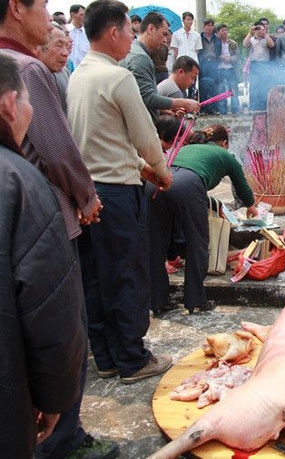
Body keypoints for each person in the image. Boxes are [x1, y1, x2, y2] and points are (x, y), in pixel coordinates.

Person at [0, 1, 114, 454]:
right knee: (61, 326)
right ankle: (63, 439)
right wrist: (86, 197)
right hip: (41, 220)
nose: (49, 17)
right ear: (16, 7)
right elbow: (58, 149)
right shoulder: (24, 68)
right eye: (44, 5)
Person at [67, 0, 174, 385]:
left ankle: (107, 358)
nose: (133, 37)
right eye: (130, 29)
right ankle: (132, 359)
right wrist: (161, 170)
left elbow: (103, 137)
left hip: (88, 193)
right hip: (117, 194)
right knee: (126, 275)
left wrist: (142, 166)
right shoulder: (118, 77)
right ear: (114, 33)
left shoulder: (79, 75)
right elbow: (145, 135)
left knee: (96, 277)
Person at [0, 53, 88, 459]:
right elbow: (51, 310)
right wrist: (55, 398)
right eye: (28, 102)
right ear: (9, 105)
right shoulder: (20, 182)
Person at [151, 122, 257, 315]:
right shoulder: (225, 155)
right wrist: (251, 206)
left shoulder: (186, 148)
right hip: (187, 186)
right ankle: (196, 301)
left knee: (156, 243)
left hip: (156, 182)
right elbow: (241, 185)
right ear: (224, 143)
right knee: (197, 242)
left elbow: (183, 178)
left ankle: (158, 301)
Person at [120, 12, 200, 120]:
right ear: (151, 29)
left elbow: (138, 100)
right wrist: (184, 103)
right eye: (164, 34)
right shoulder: (140, 57)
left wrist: (163, 111)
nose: (165, 40)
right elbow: (147, 98)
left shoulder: (135, 51)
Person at [243, 22, 274, 111]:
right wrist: (250, 32)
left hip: (265, 65)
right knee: (254, 86)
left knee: (264, 86)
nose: (260, 31)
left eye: (262, 29)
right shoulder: (251, 39)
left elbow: (272, 45)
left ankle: (264, 107)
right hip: (254, 65)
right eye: (258, 29)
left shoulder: (266, 39)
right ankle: (253, 107)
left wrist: (265, 34)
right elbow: (245, 44)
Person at [170, 11, 202, 98]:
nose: (190, 22)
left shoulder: (196, 35)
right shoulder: (176, 34)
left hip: (193, 63)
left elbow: (197, 50)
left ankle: (191, 102)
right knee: (180, 86)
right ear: (183, 20)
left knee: (192, 86)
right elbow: (175, 51)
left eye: (191, 20)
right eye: (188, 19)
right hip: (181, 63)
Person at [198, 18, 220, 114]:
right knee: (203, 86)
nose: (210, 27)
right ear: (204, 27)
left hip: (214, 64)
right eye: (208, 25)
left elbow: (219, 51)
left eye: (211, 25)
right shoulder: (199, 38)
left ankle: (214, 108)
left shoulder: (217, 39)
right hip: (202, 64)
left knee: (214, 86)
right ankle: (203, 109)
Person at [217, 23, 240, 114]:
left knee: (233, 89)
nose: (224, 32)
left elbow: (237, 56)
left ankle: (235, 111)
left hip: (231, 69)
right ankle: (223, 111)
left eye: (226, 30)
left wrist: (230, 59)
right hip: (220, 69)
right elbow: (214, 55)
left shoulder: (233, 43)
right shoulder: (216, 43)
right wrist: (221, 58)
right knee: (221, 90)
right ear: (218, 32)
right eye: (222, 30)